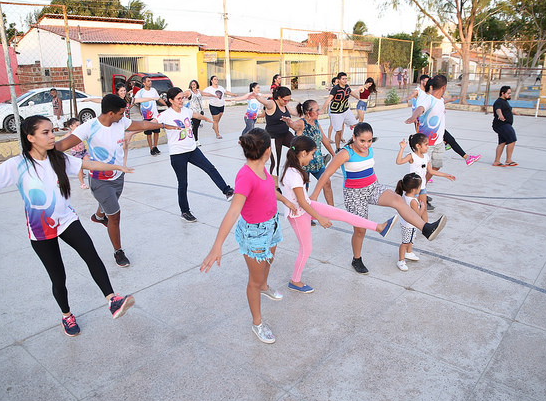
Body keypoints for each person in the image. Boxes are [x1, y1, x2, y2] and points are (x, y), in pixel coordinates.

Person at [0, 115, 136, 337]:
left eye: (52, 130)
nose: (53, 136)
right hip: (40, 229)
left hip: (67, 220)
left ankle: (112, 300)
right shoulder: (17, 165)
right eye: (46, 132)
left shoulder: (59, 159)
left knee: (91, 255)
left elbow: (87, 164)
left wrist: (117, 166)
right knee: (58, 276)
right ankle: (66, 315)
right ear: (30, 137)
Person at [310, 123, 448, 274]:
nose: (366, 144)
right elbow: (326, 174)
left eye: (369, 141)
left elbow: (368, 168)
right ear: (354, 137)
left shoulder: (368, 149)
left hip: (373, 187)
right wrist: (315, 195)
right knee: (360, 230)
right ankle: (357, 259)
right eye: (362, 141)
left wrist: (377, 185)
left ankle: (426, 228)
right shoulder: (345, 153)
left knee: (398, 200)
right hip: (354, 194)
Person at [200, 128, 297, 344]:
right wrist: (217, 246)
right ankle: (257, 323)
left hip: (271, 225)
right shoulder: (245, 176)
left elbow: (271, 190)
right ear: (268, 150)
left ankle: (265, 286)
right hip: (254, 232)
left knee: (268, 261)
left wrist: (286, 201)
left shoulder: (265, 168)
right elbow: (233, 211)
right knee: (254, 279)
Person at [55, 94, 165, 268]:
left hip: (118, 176)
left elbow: (143, 124)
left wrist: (164, 125)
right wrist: (39, 150)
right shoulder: (89, 127)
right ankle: (118, 251)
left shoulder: (120, 122)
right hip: (100, 180)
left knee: (109, 206)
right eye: (121, 113)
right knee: (115, 215)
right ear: (111, 113)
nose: (123, 117)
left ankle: (99, 216)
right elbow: (61, 145)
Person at [280, 135, 398, 292]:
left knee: (344, 215)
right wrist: (320, 218)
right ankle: (295, 281)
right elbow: (301, 202)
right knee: (306, 249)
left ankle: (379, 227)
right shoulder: (294, 174)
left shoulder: (294, 169)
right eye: (312, 154)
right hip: (299, 214)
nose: (313, 157)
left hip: (307, 206)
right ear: (303, 154)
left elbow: (302, 200)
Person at [155, 87, 235, 222]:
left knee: (210, 168)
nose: (182, 101)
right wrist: (131, 133)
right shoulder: (165, 115)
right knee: (183, 183)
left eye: (183, 98)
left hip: (192, 149)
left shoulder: (186, 110)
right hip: (177, 154)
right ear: (170, 100)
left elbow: (195, 115)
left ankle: (226, 190)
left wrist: (206, 119)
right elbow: (150, 124)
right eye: (179, 98)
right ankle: (185, 211)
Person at [404, 75, 449, 194]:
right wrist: (414, 116)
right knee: (421, 170)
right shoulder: (429, 99)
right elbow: (420, 108)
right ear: (444, 87)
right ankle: (417, 192)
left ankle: (423, 186)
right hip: (426, 144)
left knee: (437, 166)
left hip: (438, 142)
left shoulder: (441, 100)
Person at [396, 133, 456, 213]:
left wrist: (446, 175)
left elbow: (431, 171)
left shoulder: (426, 157)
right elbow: (399, 162)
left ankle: (425, 224)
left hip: (422, 187)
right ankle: (413, 225)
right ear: (418, 146)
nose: (427, 147)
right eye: (426, 145)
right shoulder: (412, 156)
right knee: (414, 210)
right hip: (414, 188)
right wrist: (402, 148)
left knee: (423, 209)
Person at [291, 99, 335, 206]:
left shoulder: (316, 122)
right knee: (304, 190)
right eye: (316, 110)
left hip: (317, 162)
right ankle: (306, 215)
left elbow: (324, 139)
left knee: (327, 183)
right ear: (308, 112)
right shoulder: (301, 123)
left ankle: (332, 210)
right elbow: (294, 125)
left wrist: (334, 155)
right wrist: (289, 122)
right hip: (304, 163)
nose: (319, 112)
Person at [252, 86, 298, 183]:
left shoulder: (285, 105)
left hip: (285, 134)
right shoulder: (272, 104)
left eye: (289, 100)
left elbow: (295, 113)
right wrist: (256, 95)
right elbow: (264, 101)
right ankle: (275, 186)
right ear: (279, 97)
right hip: (273, 137)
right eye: (285, 100)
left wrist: (307, 109)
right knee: (275, 162)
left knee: (298, 145)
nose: (287, 102)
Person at [321, 72, 361, 152]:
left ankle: (357, 143)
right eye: (343, 79)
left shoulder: (346, 87)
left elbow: (351, 92)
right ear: (338, 80)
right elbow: (329, 99)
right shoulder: (335, 89)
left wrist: (358, 98)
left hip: (345, 110)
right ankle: (338, 148)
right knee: (338, 131)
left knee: (356, 126)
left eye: (346, 78)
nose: (345, 80)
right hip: (336, 113)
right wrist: (322, 109)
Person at [394, 173, 424, 272]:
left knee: (410, 239)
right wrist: (422, 208)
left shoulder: (405, 195)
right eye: (420, 186)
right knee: (405, 242)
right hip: (409, 225)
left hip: (407, 224)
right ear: (414, 189)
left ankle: (409, 252)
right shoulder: (413, 201)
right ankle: (401, 260)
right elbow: (417, 216)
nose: (420, 188)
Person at [135, 77, 166, 156]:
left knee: (156, 132)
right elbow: (136, 101)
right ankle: (151, 148)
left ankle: (155, 147)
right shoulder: (140, 92)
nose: (150, 82)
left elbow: (158, 99)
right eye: (148, 81)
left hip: (155, 115)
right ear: (144, 83)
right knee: (148, 134)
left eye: (150, 81)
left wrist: (167, 105)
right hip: (146, 116)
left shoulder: (153, 90)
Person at [492, 86, 518, 167]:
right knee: (512, 139)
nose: (510, 95)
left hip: (503, 125)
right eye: (508, 93)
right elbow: (498, 109)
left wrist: (516, 113)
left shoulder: (505, 101)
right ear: (503, 93)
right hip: (502, 124)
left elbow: (509, 109)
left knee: (502, 143)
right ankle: (508, 160)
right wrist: (500, 115)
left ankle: (496, 161)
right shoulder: (499, 102)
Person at [186, 79, 216, 147]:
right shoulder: (189, 92)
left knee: (196, 126)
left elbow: (206, 94)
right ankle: (196, 141)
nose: (193, 86)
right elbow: (182, 95)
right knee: (195, 126)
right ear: (190, 85)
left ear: (197, 85)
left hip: (200, 111)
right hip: (193, 112)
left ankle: (193, 139)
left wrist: (214, 95)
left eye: (194, 84)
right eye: (192, 84)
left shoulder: (199, 91)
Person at [63, 118, 89, 189]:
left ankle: (84, 173)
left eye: (79, 125)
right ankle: (82, 183)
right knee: (79, 167)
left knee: (89, 164)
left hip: (83, 151)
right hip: (76, 153)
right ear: (71, 126)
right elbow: (62, 141)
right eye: (77, 125)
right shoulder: (70, 134)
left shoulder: (81, 133)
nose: (79, 127)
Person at [326, 76, 345, 146]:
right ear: (334, 83)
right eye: (337, 82)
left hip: (341, 109)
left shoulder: (341, 89)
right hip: (333, 109)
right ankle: (329, 138)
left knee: (342, 123)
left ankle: (341, 137)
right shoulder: (334, 90)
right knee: (332, 124)